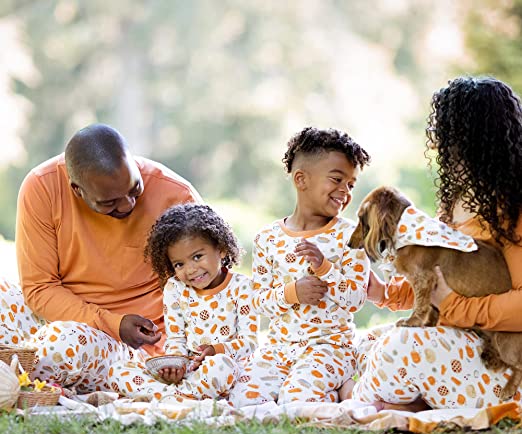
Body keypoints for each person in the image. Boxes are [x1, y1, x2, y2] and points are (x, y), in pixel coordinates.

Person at [350, 76, 522, 410]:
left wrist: (455, 306)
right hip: (456, 340)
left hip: (501, 356)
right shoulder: (455, 203)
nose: (442, 149)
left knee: (397, 346)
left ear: (481, 140)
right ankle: (403, 402)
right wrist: (383, 293)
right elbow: (434, 279)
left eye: (450, 138)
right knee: (364, 341)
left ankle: (369, 406)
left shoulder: (514, 209)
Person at [6, 124, 201, 392]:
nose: (127, 205)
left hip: (147, 343)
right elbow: (39, 288)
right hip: (69, 323)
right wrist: (112, 323)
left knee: (57, 347)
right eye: (109, 203)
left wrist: (172, 348)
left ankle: (31, 372)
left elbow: (211, 284)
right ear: (77, 190)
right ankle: (31, 370)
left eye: (134, 189)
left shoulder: (176, 194)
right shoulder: (42, 187)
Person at [228, 127, 371, 407]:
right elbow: (258, 302)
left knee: (296, 401)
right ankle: (335, 390)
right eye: (337, 180)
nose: (345, 191)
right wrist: (293, 292)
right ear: (301, 179)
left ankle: (334, 384)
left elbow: (356, 299)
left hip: (328, 350)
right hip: (277, 350)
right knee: (243, 399)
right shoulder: (267, 238)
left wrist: (325, 268)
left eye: (351, 185)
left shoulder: (352, 236)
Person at [108, 203, 258, 400]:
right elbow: (176, 338)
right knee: (118, 371)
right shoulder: (175, 288)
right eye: (179, 264)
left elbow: (250, 342)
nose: (190, 270)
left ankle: (169, 397)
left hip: (226, 368)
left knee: (220, 366)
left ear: (221, 249)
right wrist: (175, 365)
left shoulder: (243, 287)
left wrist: (216, 351)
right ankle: (181, 396)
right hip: (188, 371)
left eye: (197, 257)